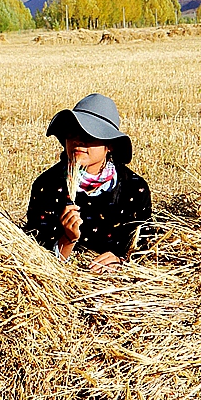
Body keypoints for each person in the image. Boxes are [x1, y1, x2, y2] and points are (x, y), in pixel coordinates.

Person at [25, 93, 152, 272]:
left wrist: (121, 262)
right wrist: (67, 240)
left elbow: (147, 249)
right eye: (72, 132)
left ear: (110, 145)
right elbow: (33, 256)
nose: (78, 140)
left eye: (90, 134)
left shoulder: (133, 188)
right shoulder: (47, 186)